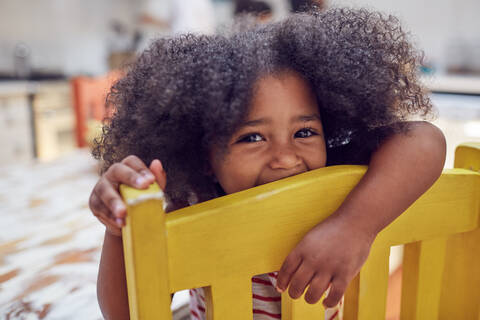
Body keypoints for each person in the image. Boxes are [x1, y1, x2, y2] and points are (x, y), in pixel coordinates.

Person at [89, 8, 446, 320]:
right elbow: (127, 313)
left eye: (305, 131)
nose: (286, 158)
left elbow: (424, 140)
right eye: (252, 138)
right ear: (206, 157)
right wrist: (120, 227)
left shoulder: (338, 188)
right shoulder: (190, 212)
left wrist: (354, 226)